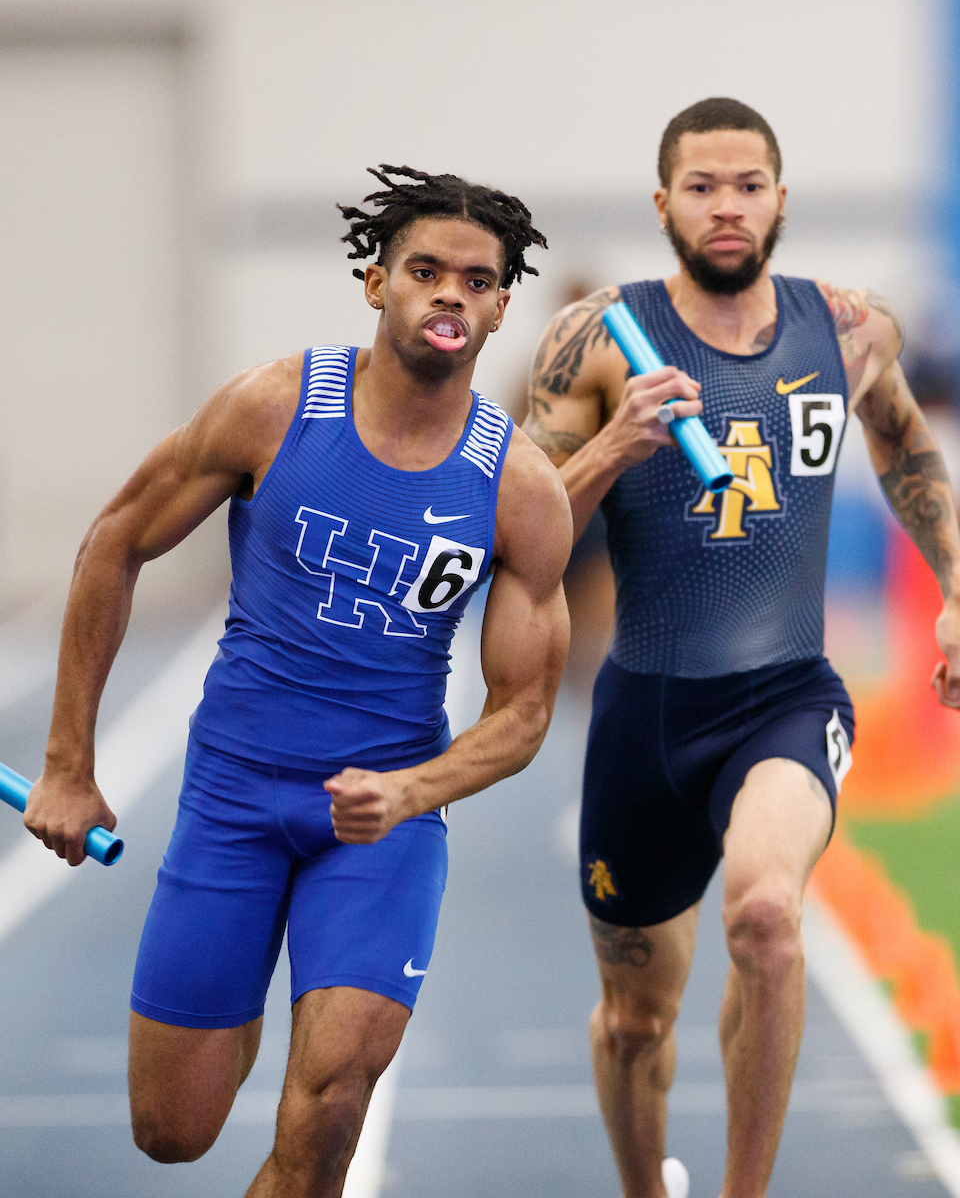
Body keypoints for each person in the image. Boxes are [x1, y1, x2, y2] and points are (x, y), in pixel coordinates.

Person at [24, 164, 572, 1197]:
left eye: (474, 279)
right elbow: (113, 543)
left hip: (380, 824)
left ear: (501, 305)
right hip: (232, 796)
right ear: (376, 284)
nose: (448, 292)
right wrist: (67, 763)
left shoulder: (522, 490)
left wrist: (410, 793)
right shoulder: (274, 409)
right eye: (425, 270)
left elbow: (525, 713)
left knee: (325, 1115)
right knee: (171, 1131)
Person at [523, 98, 960, 1198]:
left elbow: (908, 444)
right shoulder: (591, 340)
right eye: (704, 186)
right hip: (645, 714)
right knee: (635, 1018)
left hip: (784, 697)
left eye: (748, 184)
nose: (728, 206)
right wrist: (616, 445)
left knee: (766, 916)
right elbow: (516, 538)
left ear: (780, 199)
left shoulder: (849, 328)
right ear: (664, 203)